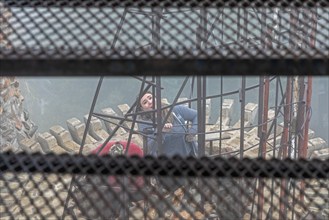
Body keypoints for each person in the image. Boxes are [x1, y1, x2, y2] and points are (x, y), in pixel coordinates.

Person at [137, 91, 198, 158]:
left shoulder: (175, 110)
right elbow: (150, 148)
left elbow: (198, 115)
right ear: (142, 109)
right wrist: (161, 132)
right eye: (145, 102)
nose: (150, 102)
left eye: (150, 98)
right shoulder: (144, 123)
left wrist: (193, 131)